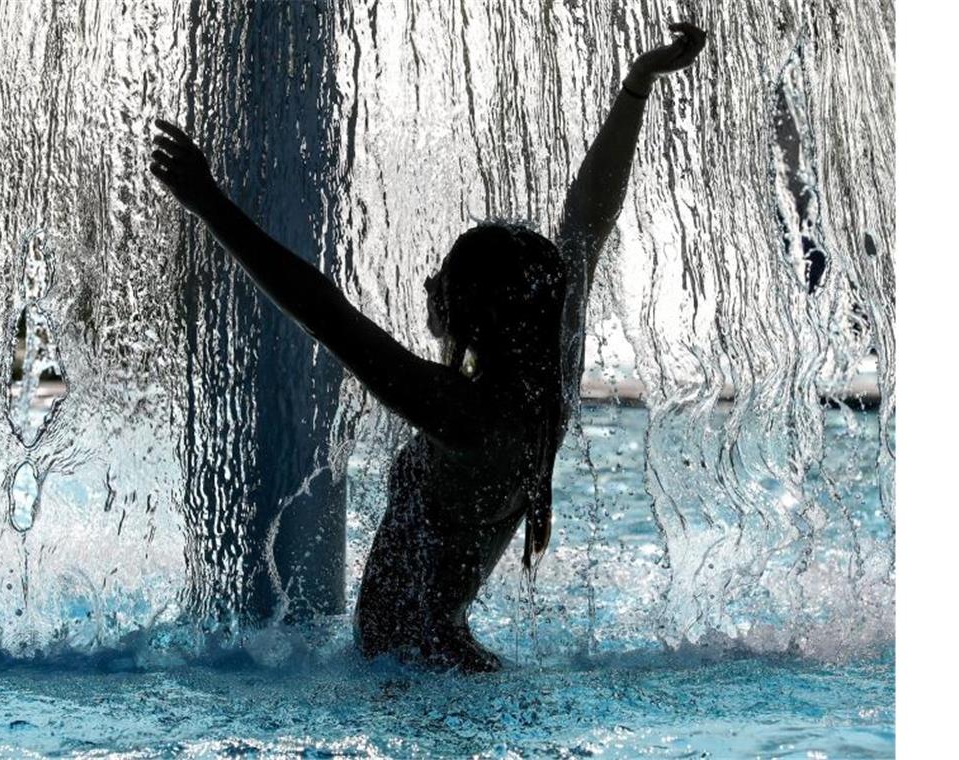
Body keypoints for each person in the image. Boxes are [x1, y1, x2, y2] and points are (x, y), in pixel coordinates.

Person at [150, 22, 707, 672]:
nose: (428, 281)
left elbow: (324, 312)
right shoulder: (542, 389)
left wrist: (211, 204)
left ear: (475, 314)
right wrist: (637, 84)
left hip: (421, 681)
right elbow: (586, 221)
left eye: (445, 277)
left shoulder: (462, 413)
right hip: (439, 669)